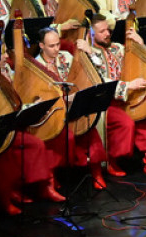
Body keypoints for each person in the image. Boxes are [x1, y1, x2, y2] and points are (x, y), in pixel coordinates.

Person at [77, 13, 146, 180]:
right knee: (125, 123)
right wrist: (127, 86)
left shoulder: (118, 48)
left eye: (108, 30)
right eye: (102, 31)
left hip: (128, 98)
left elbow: (140, 60)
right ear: (91, 34)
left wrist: (140, 44)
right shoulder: (88, 53)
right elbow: (99, 78)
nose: (107, 34)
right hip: (107, 102)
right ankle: (113, 161)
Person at [35, 27, 107, 190]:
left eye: (58, 44)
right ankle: (51, 179)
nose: (56, 49)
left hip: (74, 105)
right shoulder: (36, 66)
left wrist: (89, 51)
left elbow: (96, 69)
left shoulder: (66, 57)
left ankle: (96, 171)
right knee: (61, 135)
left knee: (90, 126)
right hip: (53, 112)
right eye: (51, 46)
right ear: (41, 45)